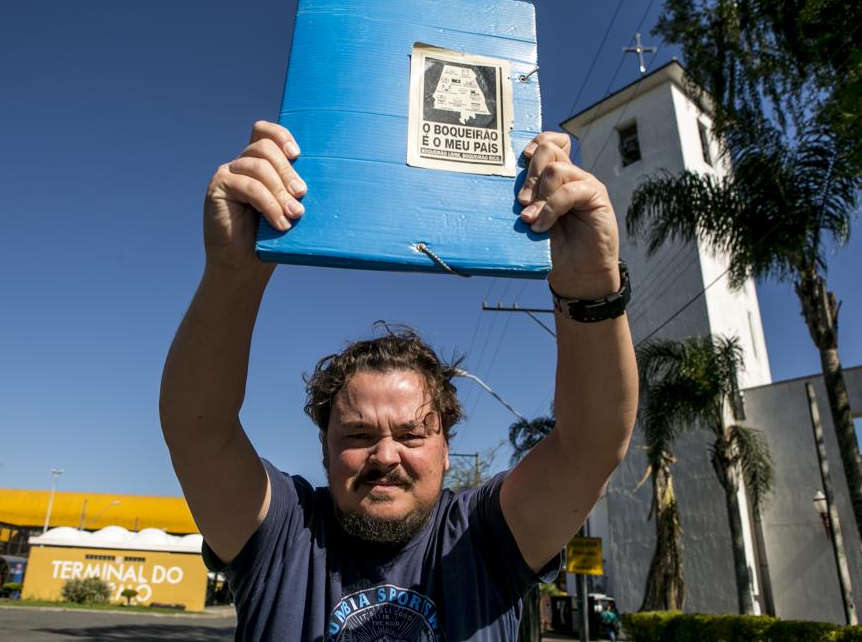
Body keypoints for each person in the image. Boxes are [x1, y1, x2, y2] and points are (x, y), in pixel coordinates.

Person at [160, 120, 638, 640]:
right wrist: (232, 272)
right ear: (324, 448)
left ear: (446, 450)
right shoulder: (282, 533)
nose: (385, 456)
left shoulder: (487, 538)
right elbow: (198, 429)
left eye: (411, 434)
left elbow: (590, 448)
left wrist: (591, 284)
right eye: (359, 436)